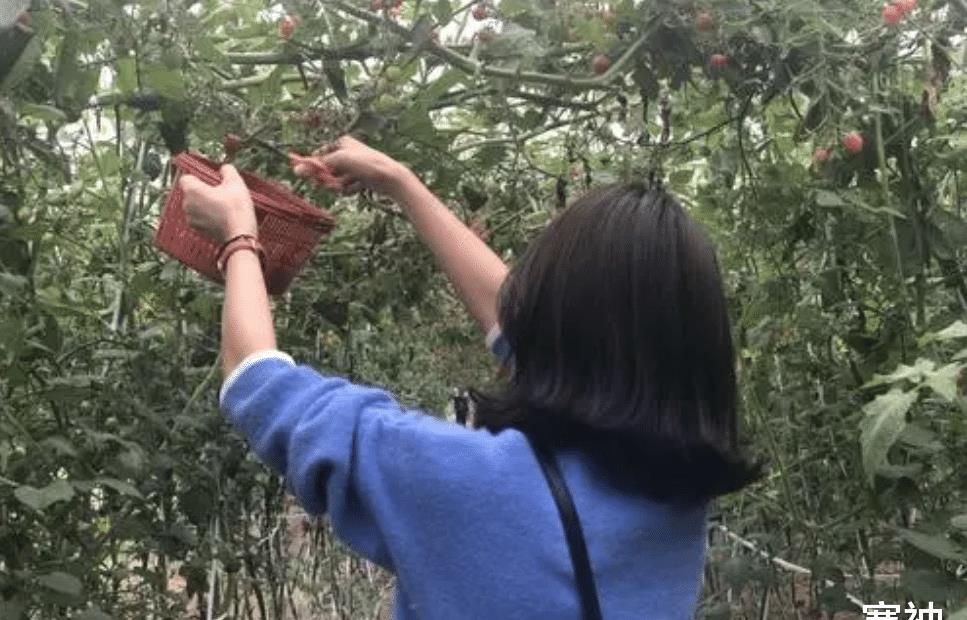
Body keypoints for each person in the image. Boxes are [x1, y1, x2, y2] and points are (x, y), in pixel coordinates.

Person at [178, 136, 761, 620]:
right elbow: (539, 339)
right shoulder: (677, 492)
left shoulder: (464, 485)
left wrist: (239, 237)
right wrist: (396, 179)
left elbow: (257, 384)